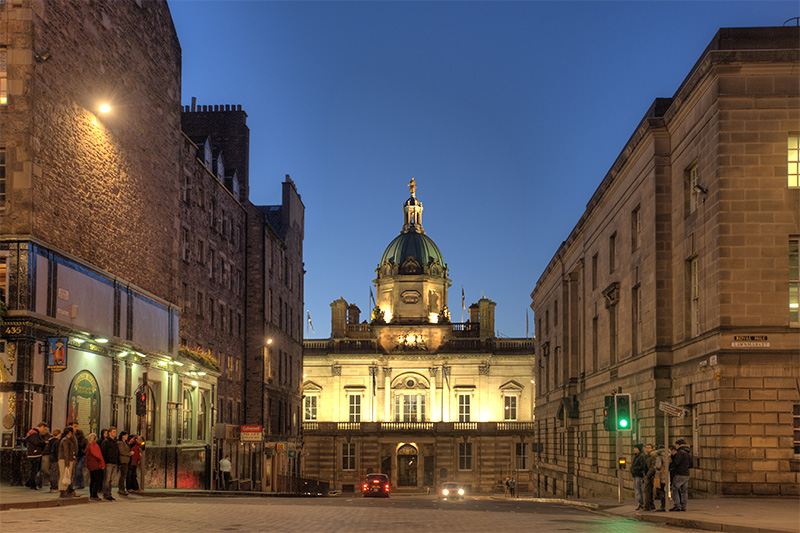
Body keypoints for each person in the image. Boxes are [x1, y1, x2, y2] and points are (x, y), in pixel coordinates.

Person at [669, 439, 692, 512]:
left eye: (676, 445)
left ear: (678, 445)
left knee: (674, 488)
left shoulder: (680, 452)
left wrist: (673, 456)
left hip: (679, 473)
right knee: (684, 490)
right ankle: (683, 506)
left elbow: (676, 462)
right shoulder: (689, 452)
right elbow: (691, 464)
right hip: (686, 473)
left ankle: (677, 505)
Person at [25, 422, 48, 490]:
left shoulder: (33, 432)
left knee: (35, 469)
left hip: (35, 453)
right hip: (34, 454)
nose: (44, 431)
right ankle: (32, 485)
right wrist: (44, 443)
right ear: (41, 426)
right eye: (44, 429)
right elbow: (36, 442)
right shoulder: (34, 433)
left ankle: (29, 482)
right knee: (34, 470)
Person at [58, 426, 78, 498]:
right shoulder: (65, 440)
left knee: (67, 475)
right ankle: (63, 491)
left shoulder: (67, 439)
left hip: (67, 459)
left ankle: (65, 490)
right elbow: (66, 452)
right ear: (70, 432)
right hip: (65, 460)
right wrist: (67, 463)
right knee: (64, 475)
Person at [85, 433, 105, 501]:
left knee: (93, 479)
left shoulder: (88, 445)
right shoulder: (94, 445)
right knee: (98, 479)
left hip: (90, 465)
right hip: (96, 465)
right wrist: (102, 464)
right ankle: (94, 494)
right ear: (95, 438)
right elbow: (98, 455)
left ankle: (92, 494)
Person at [101, 427, 119, 501]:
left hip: (114, 462)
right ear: (110, 433)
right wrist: (104, 462)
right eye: (114, 432)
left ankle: (109, 493)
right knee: (107, 479)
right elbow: (104, 452)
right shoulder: (106, 442)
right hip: (108, 462)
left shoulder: (115, 442)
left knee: (111, 480)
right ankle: (106, 494)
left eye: (115, 432)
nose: (115, 433)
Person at [631, 443, 647, 510]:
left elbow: (643, 466)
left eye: (636, 448)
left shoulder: (641, 456)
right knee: (637, 490)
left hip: (639, 475)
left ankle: (641, 503)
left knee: (638, 490)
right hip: (635, 475)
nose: (634, 449)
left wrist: (635, 468)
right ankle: (640, 503)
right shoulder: (637, 456)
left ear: (639, 449)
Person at [653, 445, 668, 512]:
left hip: (660, 475)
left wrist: (655, 467)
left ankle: (663, 506)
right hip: (666, 474)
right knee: (665, 490)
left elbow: (658, 466)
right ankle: (665, 505)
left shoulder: (659, 457)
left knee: (661, 490)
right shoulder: (668, 455)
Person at [46, 428, 62, 493]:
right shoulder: (57, 442)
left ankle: (53, 486)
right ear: (59, 434)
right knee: (55, 473)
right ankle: (54, 487)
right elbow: (57, 451)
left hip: (51, 458)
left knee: (52, 472)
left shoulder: (50, 441)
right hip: (55, 458)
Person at [117, 431, 132, 496]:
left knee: (124, 475)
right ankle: (121, 488)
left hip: (126, 460)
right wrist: (129, 454)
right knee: (123, 475)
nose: (127, 437)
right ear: (122, 436)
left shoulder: (125, 443)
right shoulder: (120, 443)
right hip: (123, 460)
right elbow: (122, 451)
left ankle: (122, 488)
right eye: (126, 435)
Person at [642, 444, 656, 511]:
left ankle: (647, 506)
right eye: (646, 448)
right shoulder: (646, 456)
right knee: (648, 491)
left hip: (650, 476)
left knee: (647, 491)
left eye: (649, 448)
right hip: (648, 475)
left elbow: (652, 466)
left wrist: (648, 475)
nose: (647, 449)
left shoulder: (652, 456)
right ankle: (651, 505)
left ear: (652, 449)